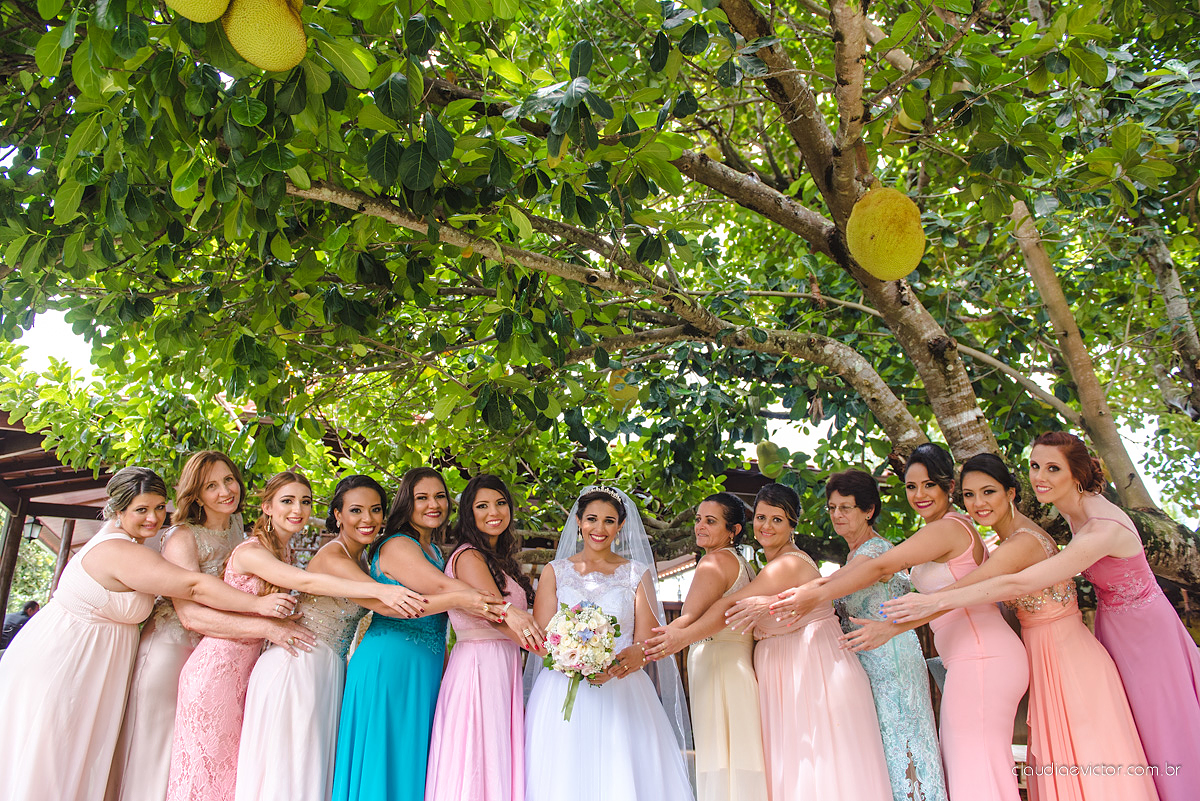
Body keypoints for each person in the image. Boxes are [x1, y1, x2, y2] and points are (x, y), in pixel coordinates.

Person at [883, 433, 1200, 801]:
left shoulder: (1093, 528)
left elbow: (1016, 581)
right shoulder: (1066, 509)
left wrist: (932, 603)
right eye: (1035, 466)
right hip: (1092, 633)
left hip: (1130, 633)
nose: (1040, 477)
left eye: (1052, 468)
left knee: (1146, 733)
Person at [0, 467, 297, 801]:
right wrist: (260, 607)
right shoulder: (119, 550)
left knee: (89, 756)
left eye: (159, 507)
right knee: (56, 757)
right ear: (117, 509)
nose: (154, 517)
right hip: (66, 660)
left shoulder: (142, 541)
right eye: (142, 509)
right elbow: (193, 586)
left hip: (104, 661)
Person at [766, 445, 1027, 801]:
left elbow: (880, 567)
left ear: (949, 487)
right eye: (910, 486)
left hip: (979, 654)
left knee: (972, 771)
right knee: (970, 769)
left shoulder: (947, 529)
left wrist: (807, 595)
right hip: (967, 655)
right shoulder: (943, 529)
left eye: (929, 485)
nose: (919, 495)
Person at [166, 471, 424, 801]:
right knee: (206, 776)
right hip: (219, 670)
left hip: (253, 669)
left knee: (239, 778)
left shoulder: (284, 552)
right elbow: (309, 584)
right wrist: (381, 592)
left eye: (304, 501)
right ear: (267, 507)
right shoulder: (251, 551)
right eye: (287, 501)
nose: (298, 510)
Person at [651, 483, 891, 801]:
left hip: (812, 669)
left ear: (793, 525)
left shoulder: (789, 563)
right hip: (782, 670)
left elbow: (729, 606)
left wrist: (681, 636)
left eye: (777, 520)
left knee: (816, 765)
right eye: (761, 517)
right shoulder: (764, 567)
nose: (766, 526)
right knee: (791, 767)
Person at [107, 451, 314, 801]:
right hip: (171, 650)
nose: (225, 492)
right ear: (196, 494)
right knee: (156, 759)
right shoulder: (182, 537)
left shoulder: (239, 531)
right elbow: (191, 615)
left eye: (229, 480)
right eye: (211, 486)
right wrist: (265, 624)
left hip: (220, 653)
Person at [332, 467, 505, 801]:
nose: (433, 504)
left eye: (440, 496)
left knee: (412, 765)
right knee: (384, 763)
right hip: (389, 666)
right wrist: (501, 608)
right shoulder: (397, 544)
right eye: (422, 498)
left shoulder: (436, 551)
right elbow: (440, 587)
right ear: (406, 503)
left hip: (425, 667)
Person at [524, 486, 693, 801]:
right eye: (591, 519)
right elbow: (542, 638)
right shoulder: (554, 572)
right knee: (564, 775)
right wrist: (570, 658)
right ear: (577, 521)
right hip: (562, 689)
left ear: (620, 526)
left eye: (608, 521)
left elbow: (645, 640)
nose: (599, 529)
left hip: (622, 690)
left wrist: (620, 663)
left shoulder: (635, 574)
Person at [820, 469, 947, 801]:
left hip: (892, 660)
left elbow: (831, 586)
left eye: (845, 508)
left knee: (904, 748)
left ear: (869, 510)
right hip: (866, 663)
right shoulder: (852, 555)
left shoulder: (875, 551)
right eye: (832, 508)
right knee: (879, 752)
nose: (837, 515)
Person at [426, 474, 545, 801]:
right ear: (469, 514)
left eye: (500, 503)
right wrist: (556, 652)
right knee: (476, 754)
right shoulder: (468, 556)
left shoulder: (497, 558)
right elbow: (496, 615)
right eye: (482, 506)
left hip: (501, 663)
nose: (494, 511)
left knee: (494, 750)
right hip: (479, 665)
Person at [642, 492, 769, 801]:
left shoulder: (714, 562)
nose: (700, 526)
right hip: (737, 664)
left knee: (719, 754)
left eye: (711, 521)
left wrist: (643, 649)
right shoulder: (742, 563)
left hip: (719, 666)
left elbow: (687, 619)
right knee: (741, 754)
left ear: (734, 530)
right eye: (698, 519)